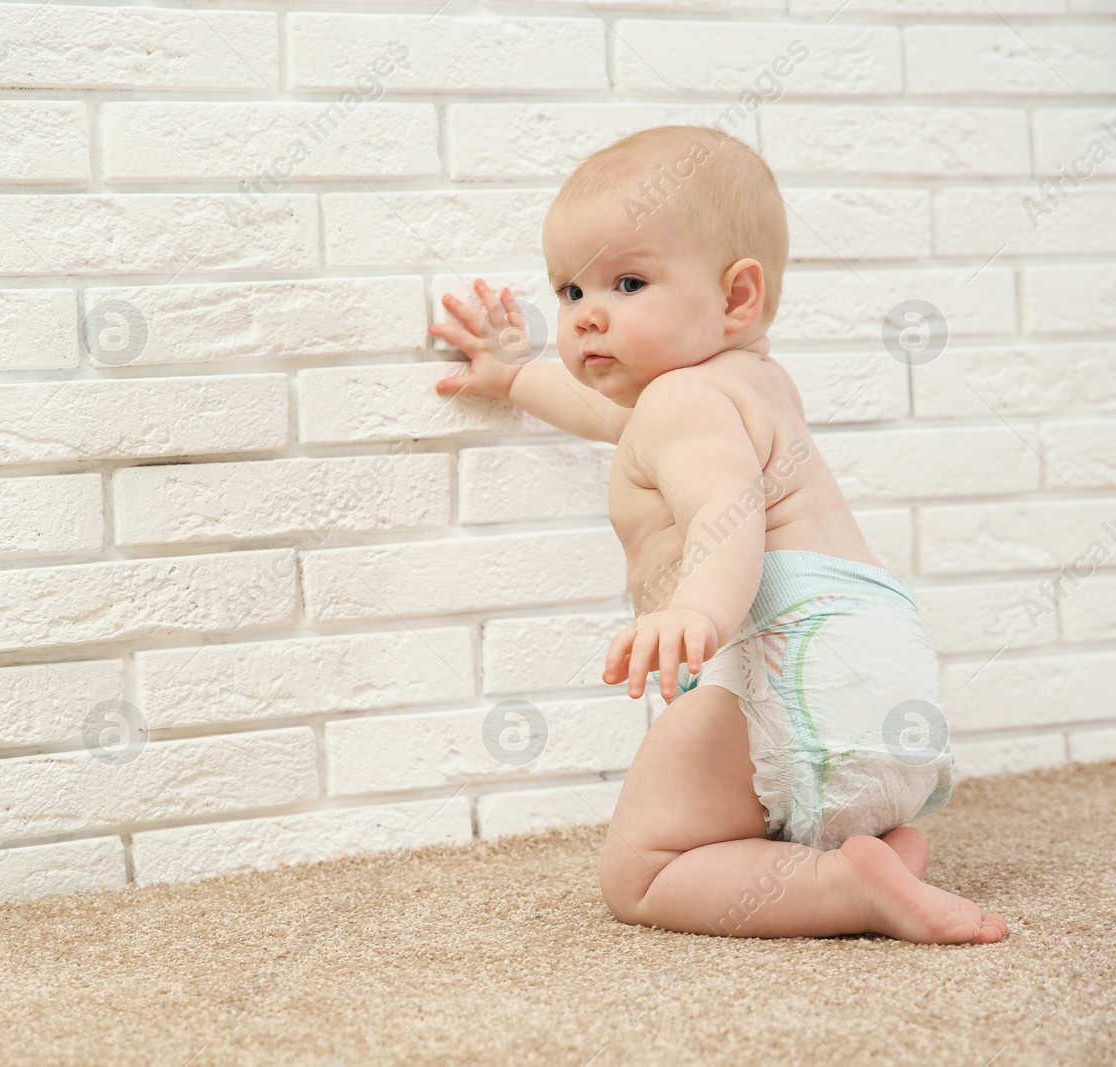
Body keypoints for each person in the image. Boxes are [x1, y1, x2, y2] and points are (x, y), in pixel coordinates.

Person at [430, 125, 1007, 944]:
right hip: (879, 667)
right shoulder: (753, 386)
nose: (588, 316)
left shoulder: (681, 404)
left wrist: (695, 613)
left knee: (645, 868)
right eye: (570, 292)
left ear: (737, 296)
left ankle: (847, 887)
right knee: (750, 811)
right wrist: (517, 376)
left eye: (627, 282)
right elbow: (612, 417)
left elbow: (723, 509)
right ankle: (875, 845)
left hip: (778, 654)